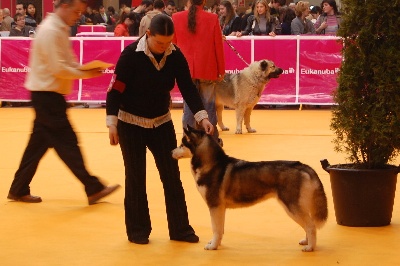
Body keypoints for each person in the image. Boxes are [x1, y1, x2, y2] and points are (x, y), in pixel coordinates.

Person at [106, 14, 214, 245]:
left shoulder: (175, 55)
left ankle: (180, 230)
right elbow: (115, 91)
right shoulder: (130, 56)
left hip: (161, 122)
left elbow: (188, 88)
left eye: (168, 42)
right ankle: (138, 231)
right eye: (159, 43)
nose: (164, 47)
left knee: (171, 176)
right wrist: (112, 123)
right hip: (130, 123)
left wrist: (202, 117)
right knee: (136, 177)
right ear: (148, 35)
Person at [7, 0, 120, 204]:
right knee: (68, 144)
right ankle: (92, 187)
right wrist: (85, 74)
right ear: (64, 6)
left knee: (37, 146)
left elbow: (67, 63)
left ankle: (18, 188)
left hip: (47, 95)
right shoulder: (51, 31)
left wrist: (85, 69)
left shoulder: (58, 29)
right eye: (76, 11)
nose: (79, 16)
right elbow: (58, 68)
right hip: (47, 96)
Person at [172, 0, 225, 143]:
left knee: (189, 105)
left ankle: (189, 140)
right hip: (208, 68)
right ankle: (211, 140)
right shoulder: (212, 18)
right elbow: (218, 46)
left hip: (185, 70)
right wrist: (221, 70)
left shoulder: (176, 17)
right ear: (204, 1)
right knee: (209, 106)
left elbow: (173, 46)